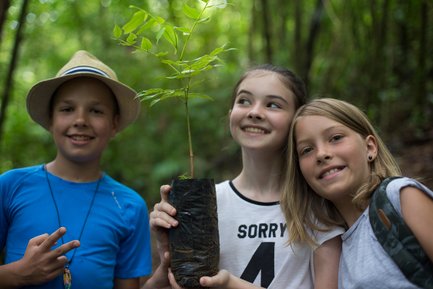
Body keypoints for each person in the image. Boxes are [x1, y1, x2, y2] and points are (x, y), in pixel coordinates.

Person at [151, 65, 343, 289]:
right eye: (244, 101)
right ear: (231, 113)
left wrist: (231, 285)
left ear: (296, 121)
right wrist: (171, 251)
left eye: (273, 105)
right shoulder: (208, 204)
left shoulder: (316, 206)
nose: (254, 112)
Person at [0, 50, 170, 289]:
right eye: (67, 109)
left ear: (114, 124)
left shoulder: (129, 206)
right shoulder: (10, 187)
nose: (80, 120)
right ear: (50, 119)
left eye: (96, 111)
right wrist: (19, 273)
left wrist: (157, 283)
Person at [281, 97, 433, 289]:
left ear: (370, 147)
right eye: (307, 150)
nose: (321, 154)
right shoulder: (334, 250)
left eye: (335, 138)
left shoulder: (399, 197)